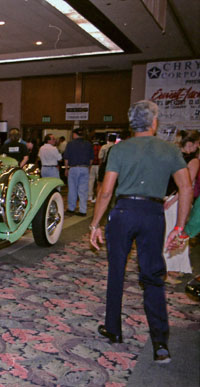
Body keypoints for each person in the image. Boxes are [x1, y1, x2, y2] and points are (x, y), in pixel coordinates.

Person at [89, 100, 192, 364]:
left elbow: (107, 191)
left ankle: (113, 330)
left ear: (132, 123)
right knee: (153, 276)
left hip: (123, 212)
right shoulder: (169, 150)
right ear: (154, 122)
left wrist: (94, 224)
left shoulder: (120, 150)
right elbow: (186, 188)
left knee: (116, 271)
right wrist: (180, 227)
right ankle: (160, 344)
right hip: (152, 215)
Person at [162, 131, 199, 282]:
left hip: (167, 197)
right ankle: (172, 269)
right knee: (176, 231)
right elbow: (187, 185)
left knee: (167, 231)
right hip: (177, 200)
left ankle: (169, 267)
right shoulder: (193, 161)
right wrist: (173, 200)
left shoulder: (172, 155)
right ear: (191, 143)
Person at [63, 128, 94, 216]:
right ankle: (83, 210)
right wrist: (89, 168)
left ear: (75, 134)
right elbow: (91, 158)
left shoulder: (70, 144)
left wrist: (66, 168)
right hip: (85, 168)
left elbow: (66, 158)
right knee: (83, 190)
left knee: (72, 189)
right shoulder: (88, 144)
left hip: (73, 168)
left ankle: (71, 208)